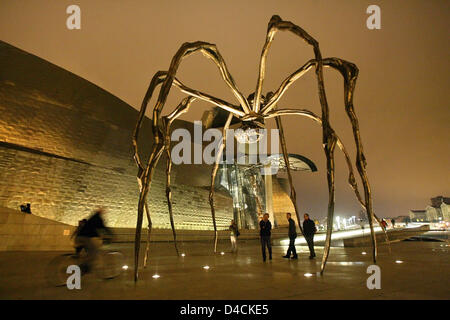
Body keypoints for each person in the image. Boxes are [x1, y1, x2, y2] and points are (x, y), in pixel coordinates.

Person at [76, 208, 113, 273]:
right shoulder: (98, 218)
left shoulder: (92, 218)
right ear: (100, 213)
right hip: (86, 237)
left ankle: (85, 264)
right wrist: (111, 235)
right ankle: (83, 267)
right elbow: (103, 227)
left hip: (81, 236)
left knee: (89, 251)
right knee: (94, 252)